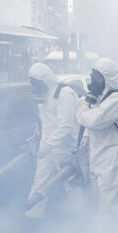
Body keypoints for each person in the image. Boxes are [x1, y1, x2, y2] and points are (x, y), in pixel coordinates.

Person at [77, 58, 118, 233]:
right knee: (99, 198)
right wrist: (85, 139)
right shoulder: (102, 97)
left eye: (98, 77)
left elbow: (93, 120)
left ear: (108, 78)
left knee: (106, 204)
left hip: (112, 154)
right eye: (93, 76)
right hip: (98, 152)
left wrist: (82, 107)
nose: (93, 81)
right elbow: (91, 124)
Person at [26, 63, 79, 219]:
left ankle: (80, 215)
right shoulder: (43, 93)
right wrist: (38, 136)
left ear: (45, 79)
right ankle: (32, 215)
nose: (33, 86)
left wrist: (48, 146)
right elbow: (45, 121)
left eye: (36, 82)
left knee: (70, 183)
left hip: (65, 147)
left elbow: (66, 126)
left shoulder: (64, 93)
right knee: (40, 181)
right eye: (32, 82)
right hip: (47, 146)